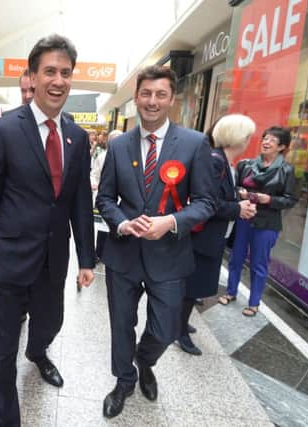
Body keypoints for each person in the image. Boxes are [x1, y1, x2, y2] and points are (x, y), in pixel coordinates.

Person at [0, 34, 95, 427]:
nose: (58, 80)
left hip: (53, 262)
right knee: (1, 355)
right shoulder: (5, 131)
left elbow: (78, 203)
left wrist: (87, 260)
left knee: (50, 324)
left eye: (66, 73)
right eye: (50, 71)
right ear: (33, 78)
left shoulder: (77, 137)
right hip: (6, 265)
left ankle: (38, 353)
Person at [96, 65, 215, 418]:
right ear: (136, 98)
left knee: (165, 330)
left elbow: (206, 202)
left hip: (170, 255)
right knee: (121, 325)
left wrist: (172, 221)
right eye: (146, 94)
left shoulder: (194, 144)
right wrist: (122, 223)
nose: (152, 101)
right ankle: (124, 380)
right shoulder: (118, 146)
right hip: (124, 256)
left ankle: (145, 361)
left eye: (160, 94)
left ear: (172, 99)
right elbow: (104, 200)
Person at [177, 114, 257, 356]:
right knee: (192, 287)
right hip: (202, 238)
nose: (249, 141)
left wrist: (237, 198)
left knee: (195, 286)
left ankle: (180, 324)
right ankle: (177, 330)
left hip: (212, 237)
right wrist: (237, 208)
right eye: (248, 136)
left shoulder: (225, 162)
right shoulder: (215, 161)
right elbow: (207, 203)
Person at [219, 126, 297, 316]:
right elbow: (232, 188)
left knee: (259, 263)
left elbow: (290, 199)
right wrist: (241, 194)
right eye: (265, 138)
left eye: (272, 140)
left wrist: (268, 199)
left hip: (267, 223)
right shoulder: (246, 165)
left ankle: (254, 303)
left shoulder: (286, 170)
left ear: (282, 147)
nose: (266, 142)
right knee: (236, 257)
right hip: (244, 217)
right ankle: (231, 292)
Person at [91, 129, 122, 264]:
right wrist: (94, 184)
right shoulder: (102, 157)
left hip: (122, 199)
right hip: (104, 196)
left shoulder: (129, 157)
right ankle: (99, 253)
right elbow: (94, 174)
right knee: (103, 226)